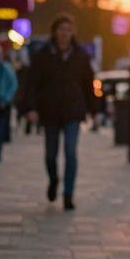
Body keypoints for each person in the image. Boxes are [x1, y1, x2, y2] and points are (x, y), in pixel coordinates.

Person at [21, 14, 99, 210]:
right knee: (50, 154)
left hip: (73, 110)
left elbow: (89, 86)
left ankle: (68, 194)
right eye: (61, 29)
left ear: (72, 33)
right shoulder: (42, 56)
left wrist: (95, 110)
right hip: (49, 112)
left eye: (68, 30)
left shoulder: (81, 56)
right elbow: (31, 85)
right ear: (55, 32)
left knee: (71, 152)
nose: (64, 34)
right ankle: (54, 179)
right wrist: (30, 108)